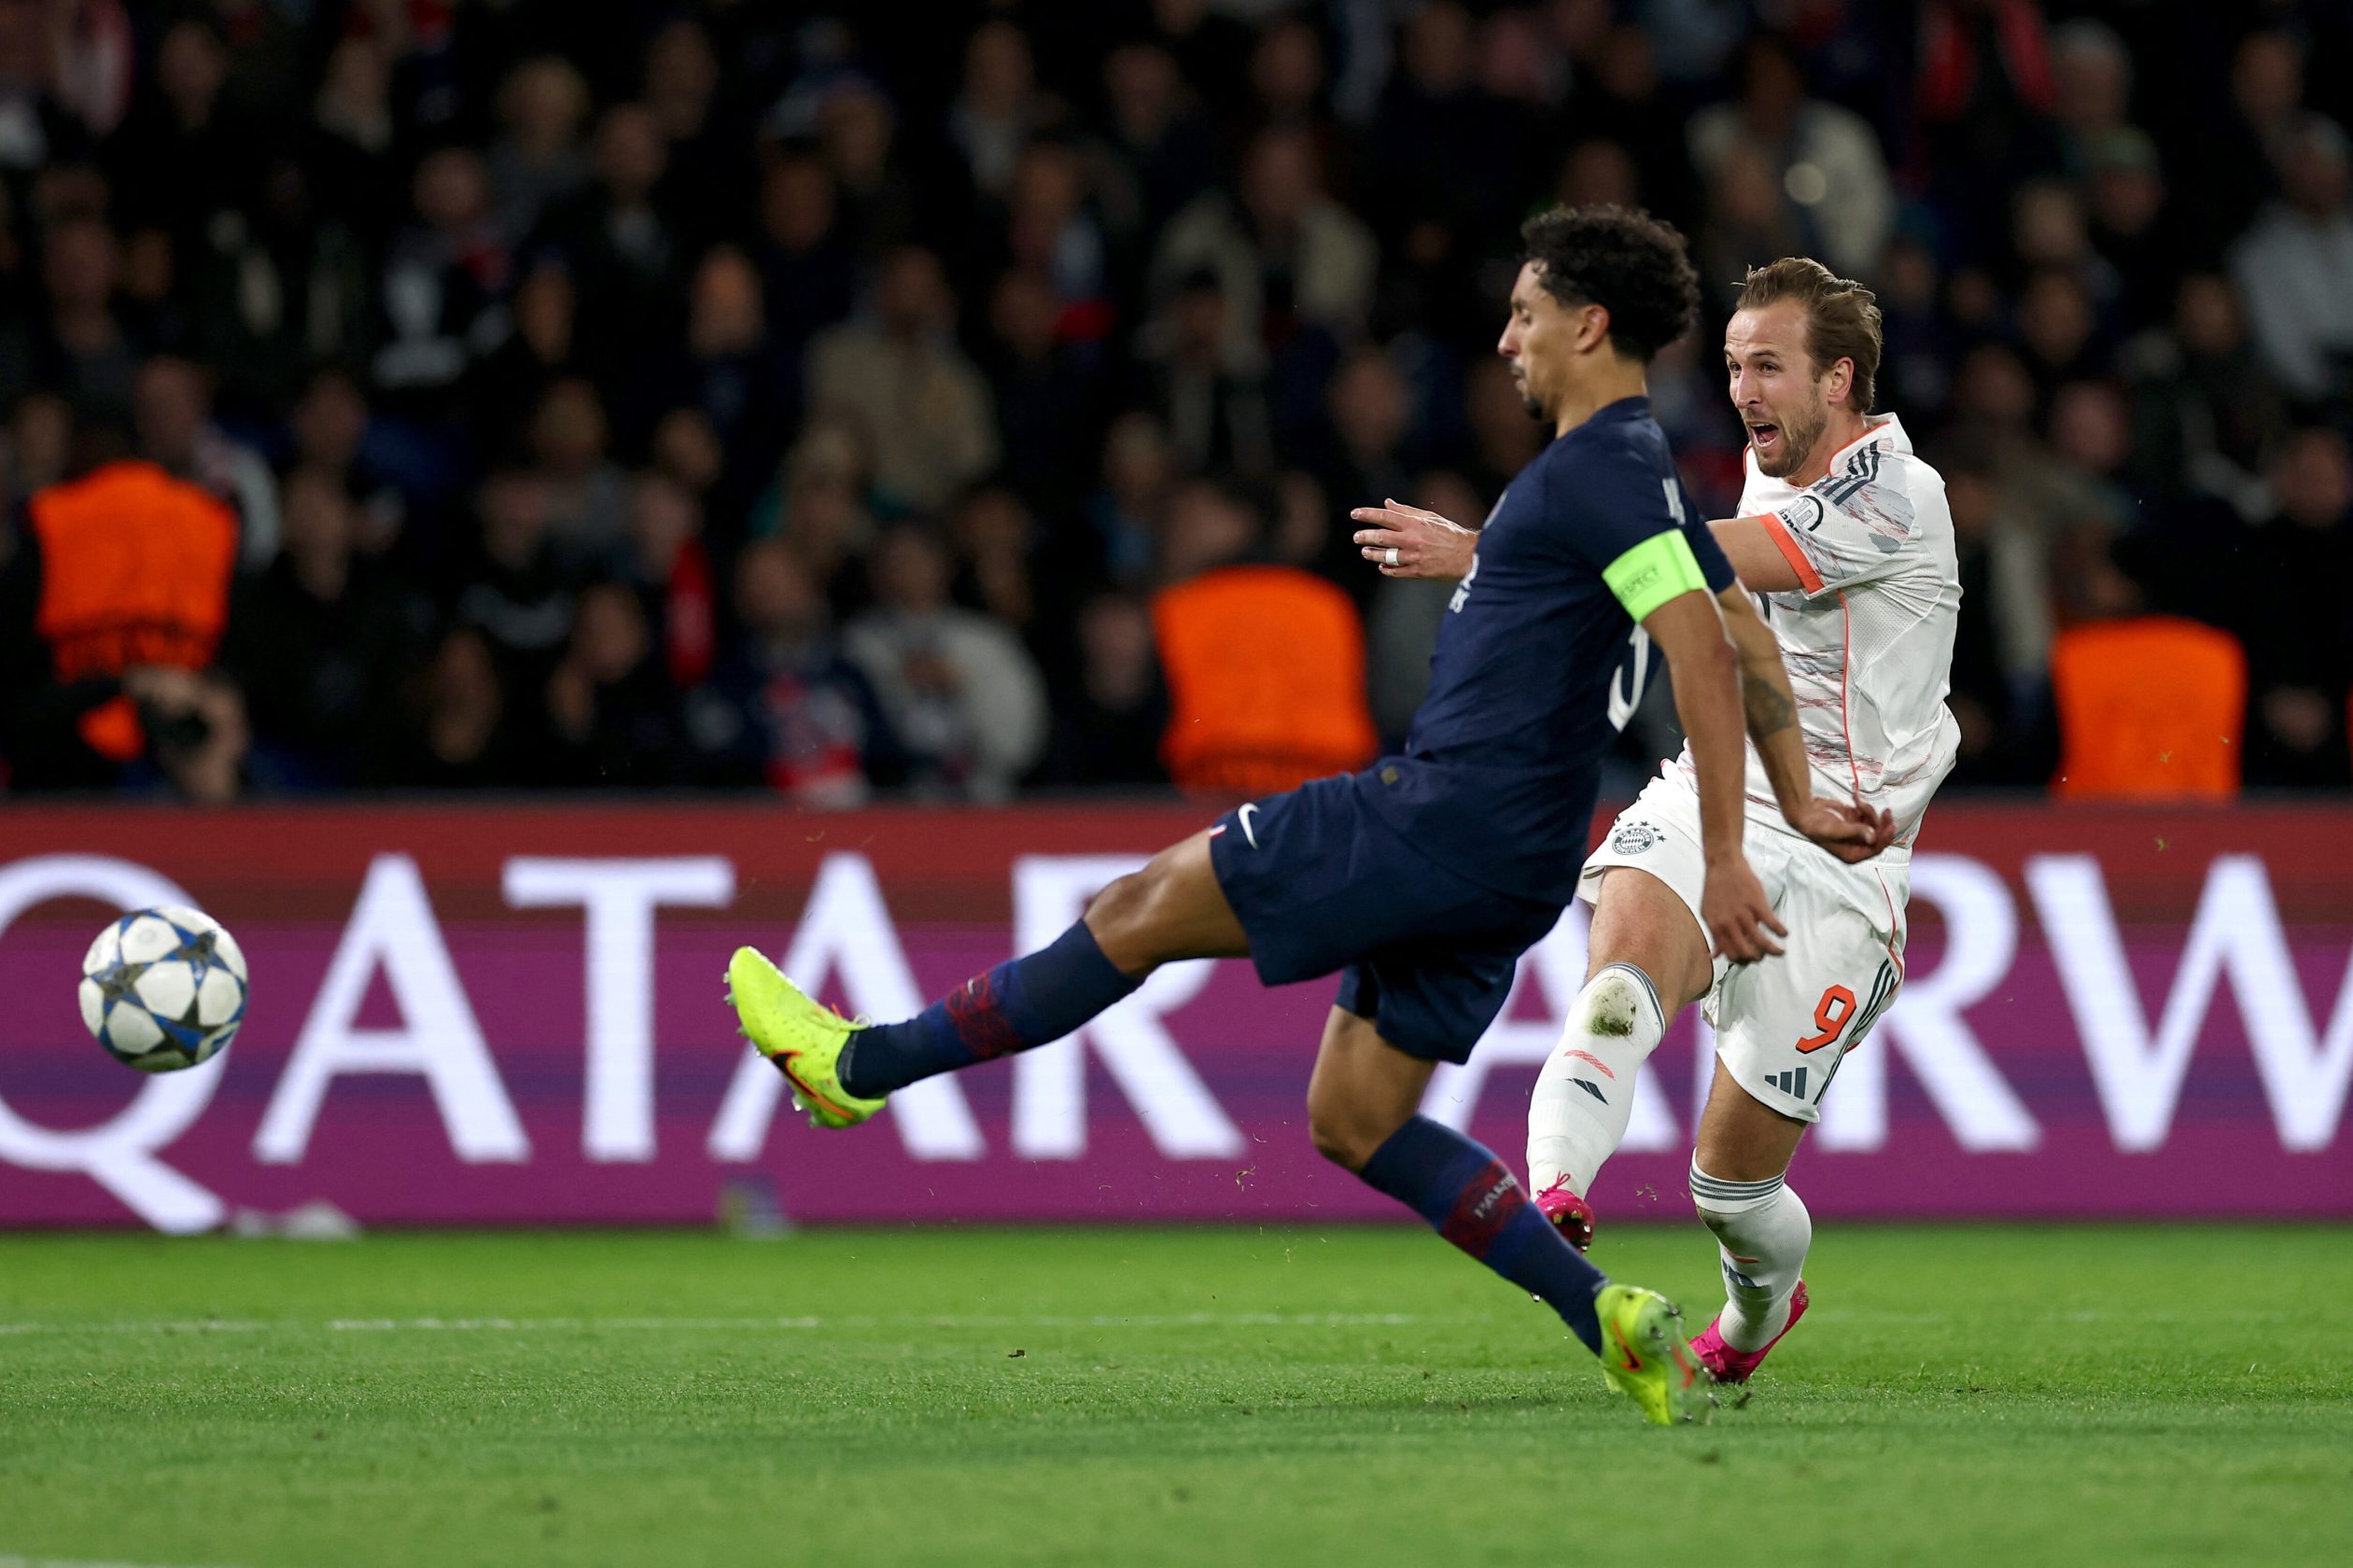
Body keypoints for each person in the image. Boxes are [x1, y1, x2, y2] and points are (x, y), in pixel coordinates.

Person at [725, 207, 1886, 1427]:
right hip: (1517, 864)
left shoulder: (1594, 471)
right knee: (1355, 1118)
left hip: (1441, 816)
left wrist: (1725, 856)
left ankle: (860, 1066)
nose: (1507, 340)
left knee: (1133, 910)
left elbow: (1701, 655)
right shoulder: (1634, 469)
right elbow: (1745, 638)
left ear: (1589, 326)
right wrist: (1793, 796)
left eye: (1528, 314)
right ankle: (1603, 1315)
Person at [1351, 256, 1956, 1388]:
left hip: (1842, 857)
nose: (1741, 390)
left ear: (1839, 379)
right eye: (1731, 366)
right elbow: (1673, 590)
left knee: (1729, 1188)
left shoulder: (1894, 492)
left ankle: (1760, 1306)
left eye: (1766, 367)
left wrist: (1484, 553)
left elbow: (1699, 562)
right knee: (1617, 987)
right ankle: (1556, 1198)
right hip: (1723, 793)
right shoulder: (1770, 471)